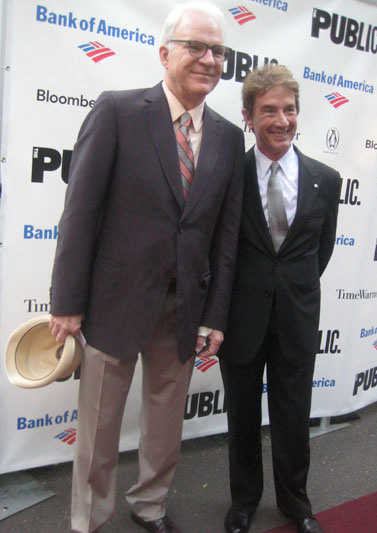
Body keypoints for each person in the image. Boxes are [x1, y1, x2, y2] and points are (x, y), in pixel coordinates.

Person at [49, 2, 244, 532]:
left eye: (218, 51)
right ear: (163, 53)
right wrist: (66, 303)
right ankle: (89, 518)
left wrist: (216, 315)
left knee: (164, 422)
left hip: (185, 308)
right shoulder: (117, 111)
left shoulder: (228, 137)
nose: (209, 59)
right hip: (113, 301)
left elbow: (225, 239)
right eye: (196, 47)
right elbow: (80, 210)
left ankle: (150, 506)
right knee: (99, 423)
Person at [219, 64, 341, 533]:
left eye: (289, 109)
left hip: (296, 318)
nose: (281, 120)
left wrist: (291, 289)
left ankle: (296, 504)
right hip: (241, 319)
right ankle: (244, 503)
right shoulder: (230, 174)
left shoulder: (325, 179)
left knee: (293, 419)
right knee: (243, 419)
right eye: (268, 110)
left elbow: (320, 250)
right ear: (248, 116)